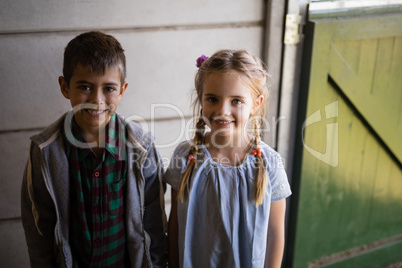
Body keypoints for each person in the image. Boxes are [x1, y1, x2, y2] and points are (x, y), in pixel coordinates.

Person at [21, 31, 167, 267]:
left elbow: (154, 225)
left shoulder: (141, 147)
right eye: (85, 87)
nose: (97, 99)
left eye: (108, 88)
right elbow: (39, 230)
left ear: (122, 89)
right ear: (65, 86)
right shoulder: (45, 152)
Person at [164, 49, 292, 268]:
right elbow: (174, 225)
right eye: (213, 99)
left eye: (236, 101)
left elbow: (275, 234)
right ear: (201, 99)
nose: (222, 110)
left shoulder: (269, 164)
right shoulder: (186, 156)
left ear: (256, 103)